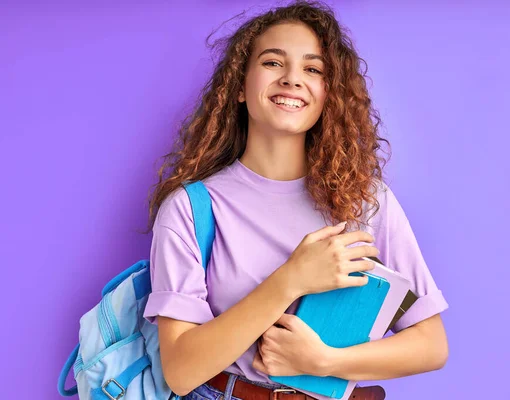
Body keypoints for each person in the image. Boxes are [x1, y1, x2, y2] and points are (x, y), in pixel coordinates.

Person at [142, 1, 449, 399]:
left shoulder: (367, 202)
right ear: (239, 85)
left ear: (329, 96)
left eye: (313, 69)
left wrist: (322, 362)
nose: (292, 79)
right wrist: (291, 279)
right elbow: (181, 373)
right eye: (272, 63)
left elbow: (431, 344)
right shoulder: (191, 208)